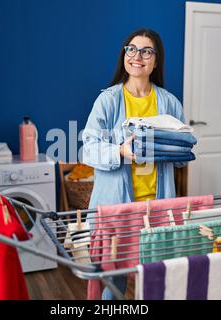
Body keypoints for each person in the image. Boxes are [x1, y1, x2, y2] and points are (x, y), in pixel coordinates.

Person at [82, 28, 188, 299]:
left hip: (156, 206)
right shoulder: (108, 100)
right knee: (112, 280)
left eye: (146, 51)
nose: (137, 56)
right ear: (124, 55)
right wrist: (119, 151)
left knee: (156, 276)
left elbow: (181, 154)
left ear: (156, 60)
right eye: (132, 49)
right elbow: (88, 148)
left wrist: (175, 150)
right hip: (117, 208)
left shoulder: (169, 103)